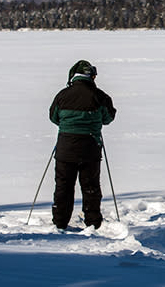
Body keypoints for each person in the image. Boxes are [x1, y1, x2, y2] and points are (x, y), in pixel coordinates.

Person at [49, 60, 116, 230]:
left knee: (63, 186)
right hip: (90, 148)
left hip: (65, 148)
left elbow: (54, 117)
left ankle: (60, 221)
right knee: (91, 187)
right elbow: (108, 117)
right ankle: (93, 221)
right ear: (91, 76)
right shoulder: (100, 96)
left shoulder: (63, 95)